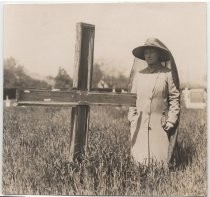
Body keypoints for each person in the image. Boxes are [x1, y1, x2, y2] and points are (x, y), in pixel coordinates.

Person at [128, 38, 180, 166]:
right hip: (140, 122)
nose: (148, 55)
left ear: (159, 55)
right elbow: (132, 99)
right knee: (139, 161)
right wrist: (133, 118)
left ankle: (160, 181)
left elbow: (174, 98)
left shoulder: (167, 74)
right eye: (146, 53)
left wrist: (171, 119)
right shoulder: (139, 75)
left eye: (152, 52)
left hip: (159, 123)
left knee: (159, 161)